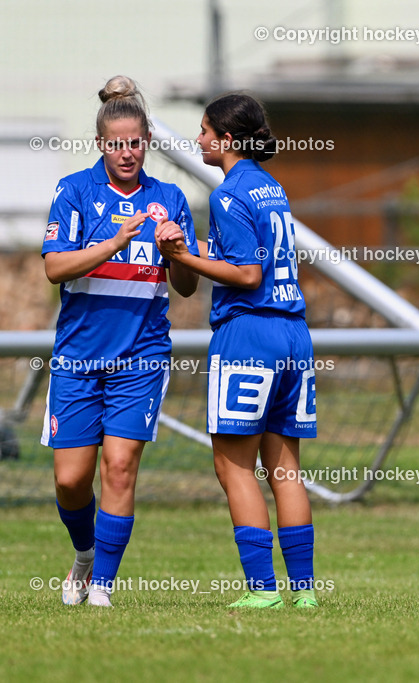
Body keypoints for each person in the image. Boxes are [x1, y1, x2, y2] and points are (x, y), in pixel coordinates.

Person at [156, 93, 318, 609]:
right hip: (294, 333)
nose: (199, 139)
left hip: (249, 334)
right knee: (285, 470)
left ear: (226, 139)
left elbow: (247, 274)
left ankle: (262, 591)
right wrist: (195, 251)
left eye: (205, 131)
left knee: (234, 467)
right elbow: (253, 258)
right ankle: (305, 592)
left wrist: (182, 257)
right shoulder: (271, 186)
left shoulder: (228, 194)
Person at [43, 75, 199, 607]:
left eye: (135, 142)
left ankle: (104, 587)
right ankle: (85, 556)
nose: (127, 153)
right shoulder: (74, 191)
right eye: (117, 144)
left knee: (120, 465)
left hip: (142, 357)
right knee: (71, 480)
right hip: (78, 358)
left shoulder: (169, 198)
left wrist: (177, 252)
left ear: (147, 141)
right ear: (100, 144)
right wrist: (113, 242)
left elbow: (185, 286)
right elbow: (55, 268)